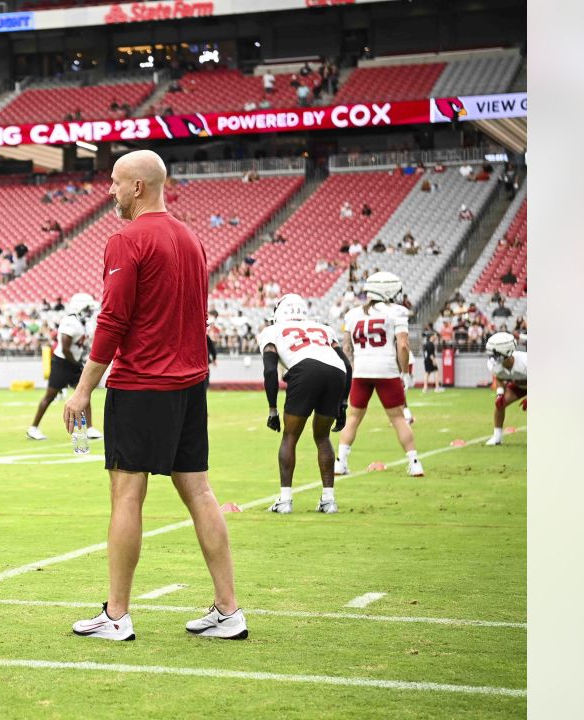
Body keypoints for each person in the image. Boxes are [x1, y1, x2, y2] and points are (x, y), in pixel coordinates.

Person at [64, 149, 245, 642]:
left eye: (117, 183)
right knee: (201, 493)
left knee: (127, 495)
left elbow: (113, 321)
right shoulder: (191, 239)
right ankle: (228, 610)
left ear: (138, 187)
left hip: (142, 383)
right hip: (190, 384)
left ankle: (117, 615)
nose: (111, 192)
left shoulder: (127, 240)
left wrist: (83, 392)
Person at [260, 294, 351, 514]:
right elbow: (347, 364)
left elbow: (271, 370)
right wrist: (343, 402)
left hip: (305, 370)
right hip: (336, 371)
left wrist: (272, 408)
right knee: (323, 436)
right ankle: (329, 500)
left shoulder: (271, 331)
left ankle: (285, 500)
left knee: (290, 436)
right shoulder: (324, 329)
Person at [334, 272, 424, 478]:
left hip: (362, 370)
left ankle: (341, 462)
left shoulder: (353, 314)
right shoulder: (396, 312)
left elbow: (346, 348)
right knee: (399, 419)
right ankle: (414, 462)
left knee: (353, 418)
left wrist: (352, 369)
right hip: (386, 370)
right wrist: (404, 373)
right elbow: (403, 345)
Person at [27, 293, 102, 441]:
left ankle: (90, 428)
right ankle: (33, 428)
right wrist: (77, 363)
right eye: (87, 308)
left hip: (74, 362)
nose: (89, 312)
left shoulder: (83, 322)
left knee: (84, 393)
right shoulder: (70, 322)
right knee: (50, 396)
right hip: (62, 363)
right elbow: (66, 347)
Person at [484, 332, 527, 445]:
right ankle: (497, 437)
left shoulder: (525, 361)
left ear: (506, 352)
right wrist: (500, 394)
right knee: (500, 404)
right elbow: (499, 377)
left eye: (496, 354)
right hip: (519, 385)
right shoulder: (494, 364)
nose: (493, 358)